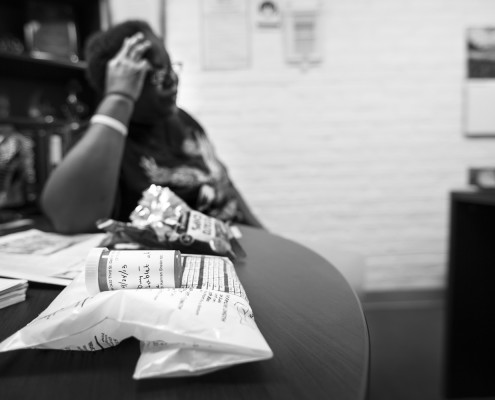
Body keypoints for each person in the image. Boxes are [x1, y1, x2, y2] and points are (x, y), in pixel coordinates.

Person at [41, 20, 264, 234]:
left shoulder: (184, 121)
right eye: (158, 74)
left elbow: (225, 184)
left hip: (241, 239)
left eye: (172, 67)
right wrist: (119, 97)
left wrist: (264, 232)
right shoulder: (103, 142)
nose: (173, 79)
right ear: (122, 77)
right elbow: (68, 219)